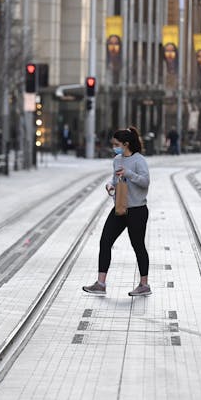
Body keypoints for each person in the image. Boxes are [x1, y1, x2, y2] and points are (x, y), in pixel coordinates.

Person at [83, 127, 151, 297]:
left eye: (117, 144)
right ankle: (100, 283)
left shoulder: (138, 160)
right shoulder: (117, 160)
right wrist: (110, 185)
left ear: (126, 144)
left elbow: (145, 182)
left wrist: (129, 173)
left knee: (138, 246)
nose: (114, 147)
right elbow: (115, 179)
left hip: (137, 210)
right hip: (120, 208)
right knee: (105, 240)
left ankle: (144, 285)